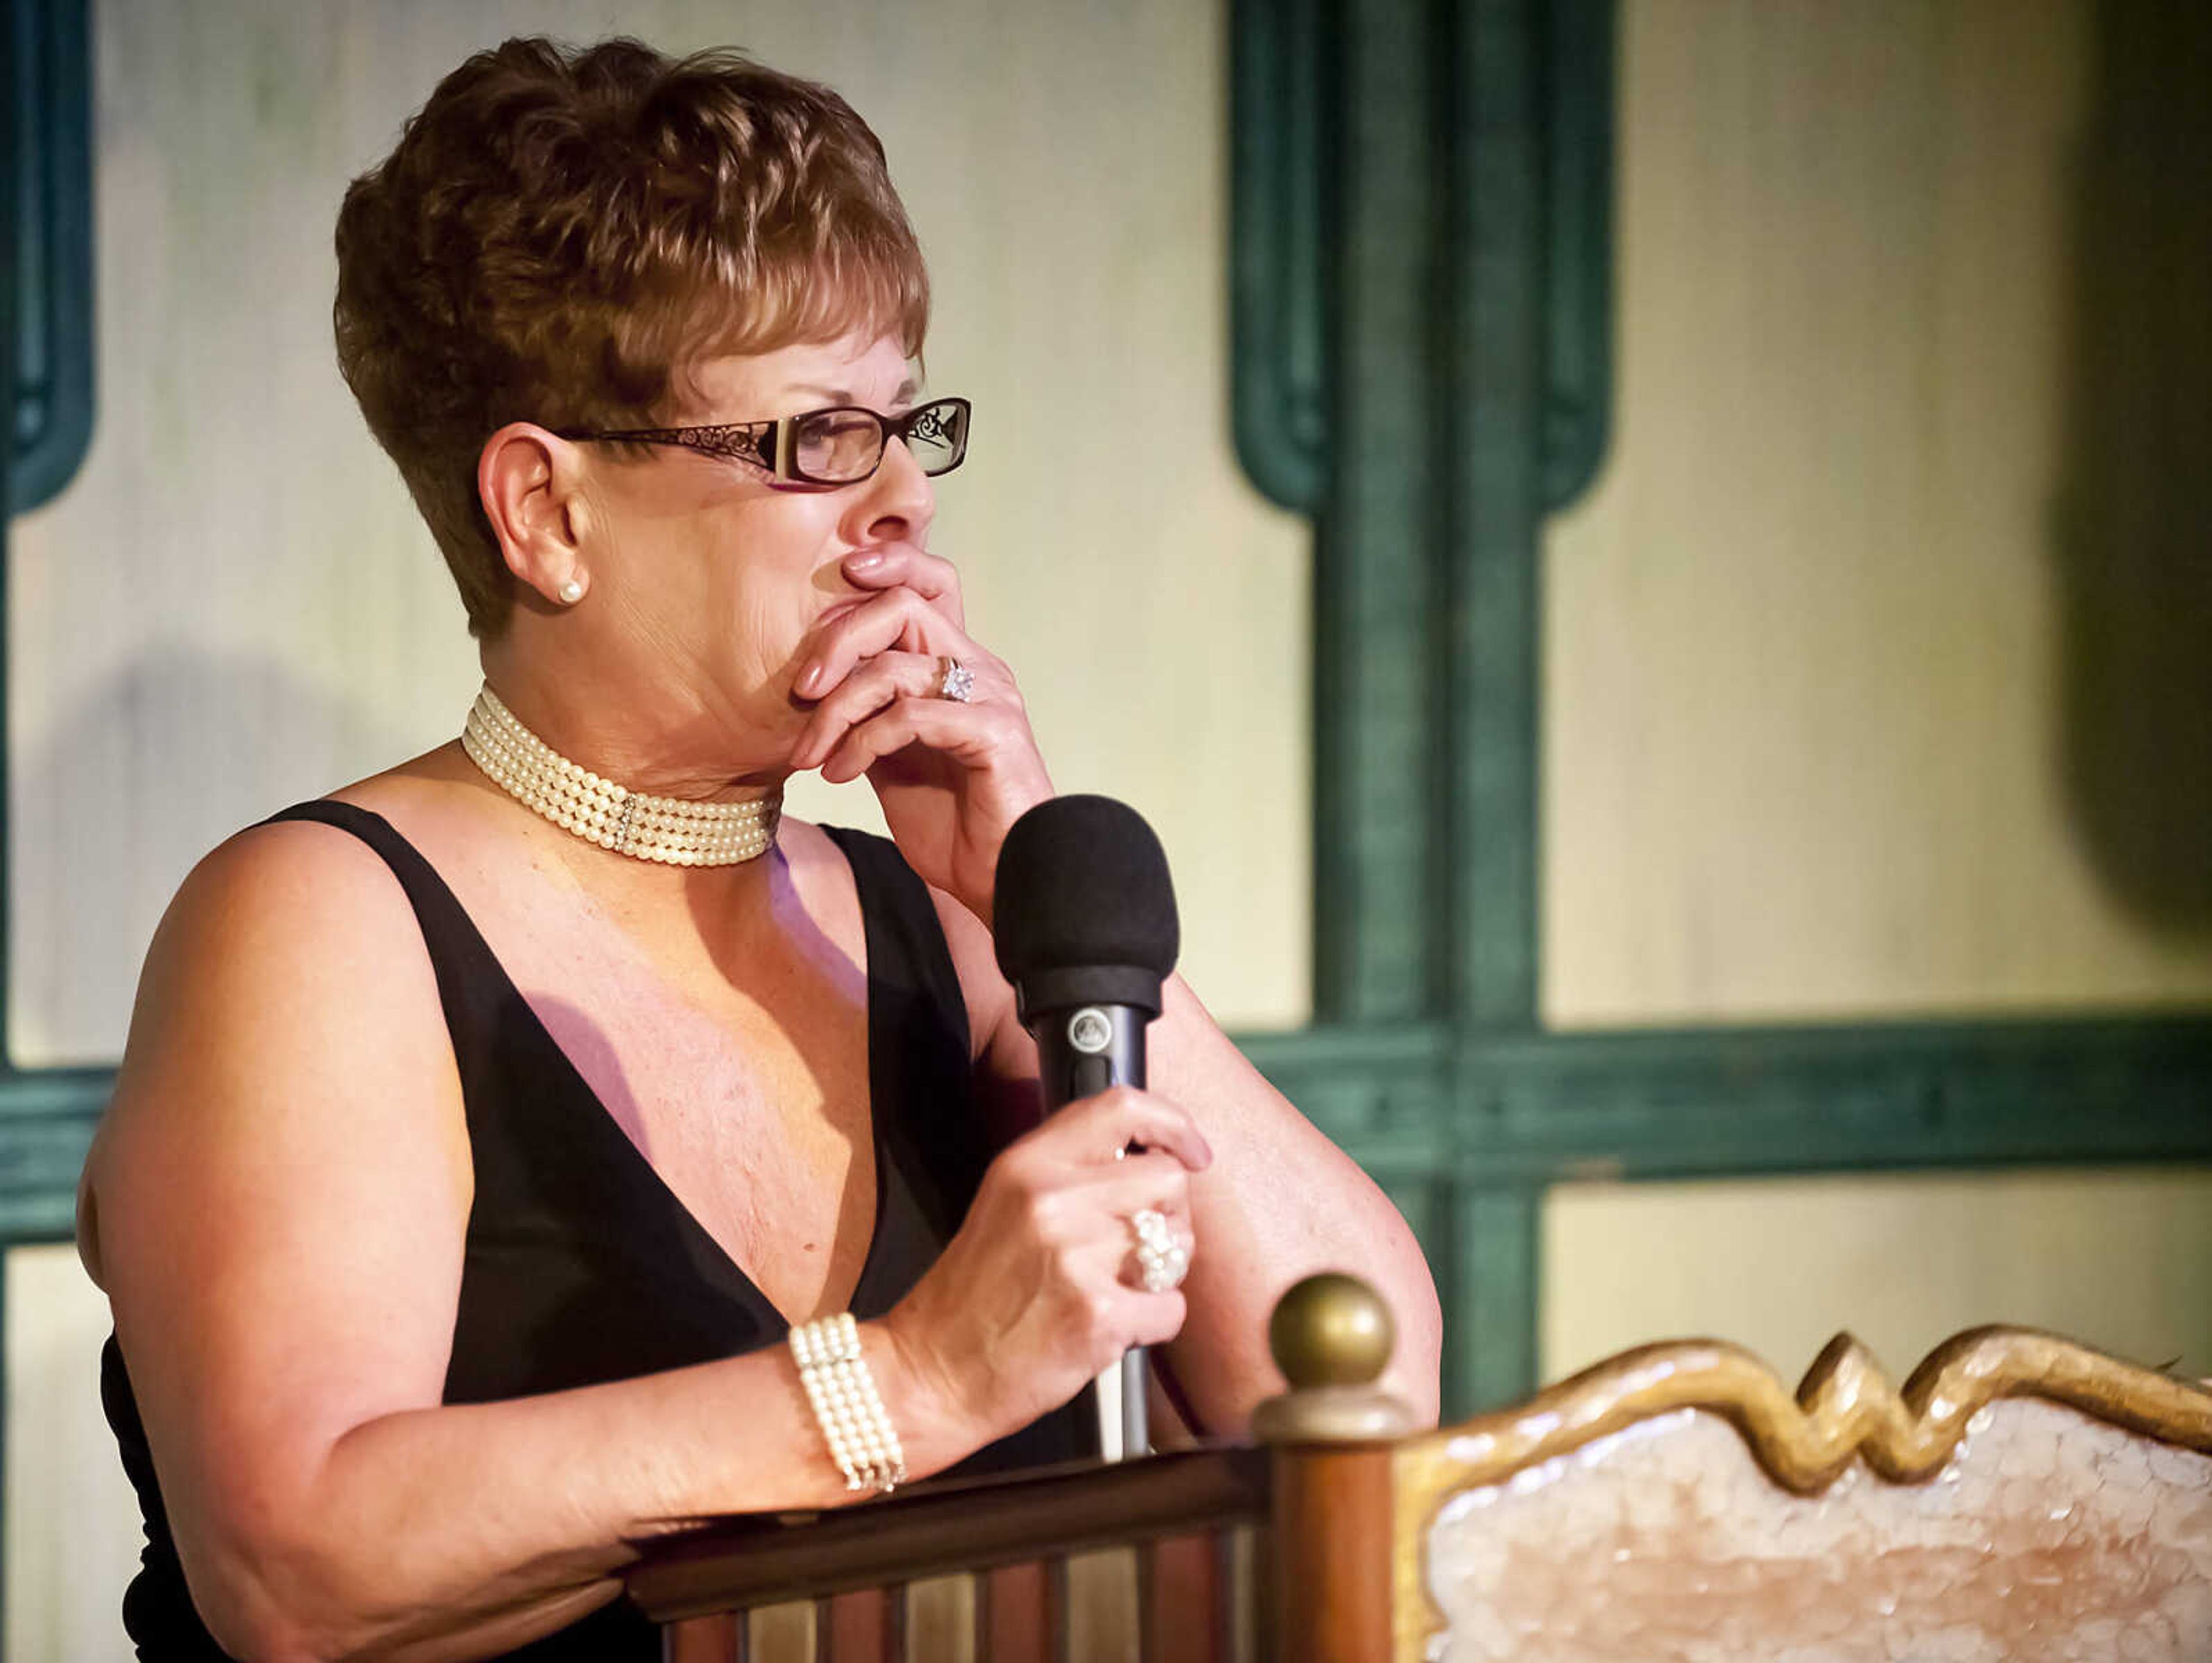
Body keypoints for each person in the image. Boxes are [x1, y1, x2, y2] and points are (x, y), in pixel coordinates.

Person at [75, 36, 1440, 1663]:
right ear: (548, 515)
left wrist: (1030, 907)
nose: (903, 508)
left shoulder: (936, 927)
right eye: (815, 442)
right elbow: (298, 1563)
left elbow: (1352, 1393)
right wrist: (918, 1383)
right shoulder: (320, 919)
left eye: (907, 425)